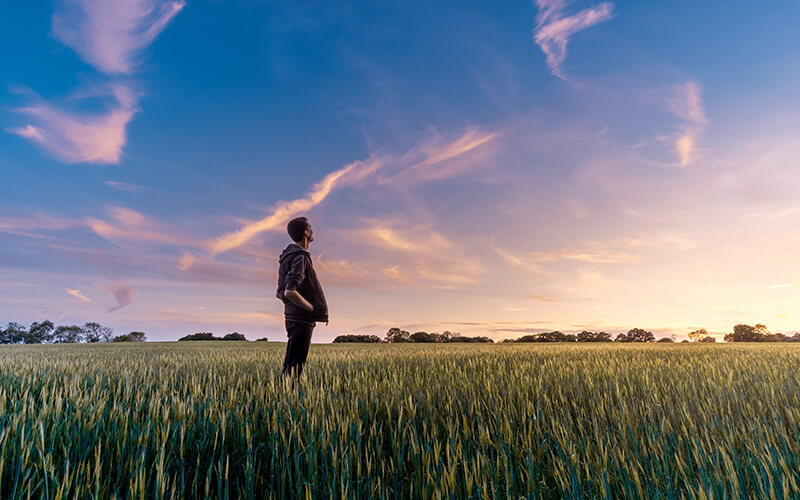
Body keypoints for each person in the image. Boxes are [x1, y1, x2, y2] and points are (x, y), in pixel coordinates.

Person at [276, 217, 329, 382]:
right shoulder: (300, 257)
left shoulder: (287, 257)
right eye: (310, 228)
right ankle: (289, 400)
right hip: (301, 319)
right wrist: (310, 308)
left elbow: (279, 292)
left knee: (291, 363)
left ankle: (284, 396)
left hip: (292, 317)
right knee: (296, 366)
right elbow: (288, 291)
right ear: (306, 232)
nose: (312, 231)